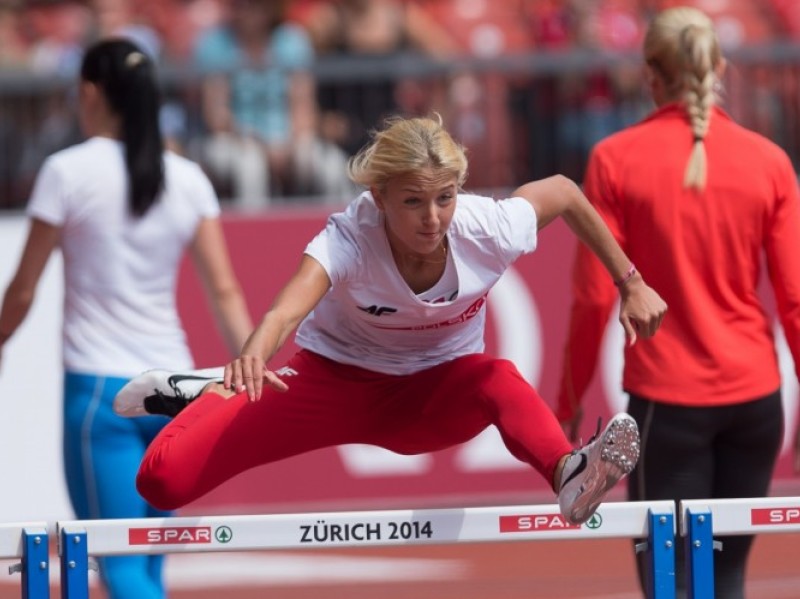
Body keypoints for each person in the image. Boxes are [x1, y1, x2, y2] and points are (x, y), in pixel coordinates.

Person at [113, 114, 667, 527]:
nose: (433, 220)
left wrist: (632, 282)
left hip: (429, 399)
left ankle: (568, 476)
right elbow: (285, 309)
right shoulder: (349, 237)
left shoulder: (488, 227)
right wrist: (254, 355)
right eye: (413, 202)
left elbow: (567, 193)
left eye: (444, 199)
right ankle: (210, 388)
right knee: (162, 481)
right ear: (378, 197)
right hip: (330, 386)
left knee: (496, 377)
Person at [555, 7, 800, 598]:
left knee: (674, 586)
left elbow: (592, 298)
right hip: (757, 403)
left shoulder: (615, 160)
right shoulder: (769, 161)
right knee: (729, 579)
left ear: (649, 75)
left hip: (667, 406)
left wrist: (566, 402)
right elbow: (795, 299)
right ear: (719, 67)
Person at [0, 39, 253, 599]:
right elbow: (226, 292)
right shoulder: (187, 177)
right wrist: (255, 367)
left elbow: (22, 291)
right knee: (148, 565)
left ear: (89, 93)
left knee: (122, 569)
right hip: (178, 392)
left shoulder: (66, 171)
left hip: (101, 395)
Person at [192, 0, 353, 206]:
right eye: (236, 5)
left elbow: (303, 106)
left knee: (331, 165)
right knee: (250, 165)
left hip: (290, 138)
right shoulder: (214, 43)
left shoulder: (293, 41)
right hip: (233, 139)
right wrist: (259, 144)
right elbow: (217, 116)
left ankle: (338, 234)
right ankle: (253, 236)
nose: (241, 10)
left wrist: (289, 144)